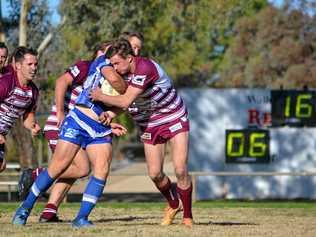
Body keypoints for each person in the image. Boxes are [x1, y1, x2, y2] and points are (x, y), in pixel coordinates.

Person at [12, 43, 127, 227]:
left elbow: (124, 105)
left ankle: (80, 218)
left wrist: (111, 115)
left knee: (100, 169)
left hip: (99, 127)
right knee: (58, 167)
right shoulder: (102, 63)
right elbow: (117, 85)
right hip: (78, 120)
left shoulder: (130, 73)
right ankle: (25, 208)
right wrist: (60, 112)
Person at [89, 38, 193, 228]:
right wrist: (111, 114)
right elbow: (130, 104)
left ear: (129, 58)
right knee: (155, 174)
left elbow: (126, 101)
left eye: (117, 63)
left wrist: (100, 96)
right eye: (111, 64)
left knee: (180, 168)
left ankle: (187, 216)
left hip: (173, 117)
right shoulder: (122, 73)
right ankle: (173, 203)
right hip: (149, 123)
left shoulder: (145, 68)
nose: (114, 68)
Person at [0, 46, 41, 173]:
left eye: (35, 64)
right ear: (17, 65)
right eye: (29, 64)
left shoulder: (33, 91)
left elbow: (28, 118)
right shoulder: (6, 83)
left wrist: (33, 127)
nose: (34, 68)